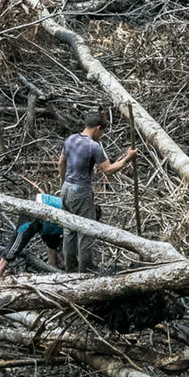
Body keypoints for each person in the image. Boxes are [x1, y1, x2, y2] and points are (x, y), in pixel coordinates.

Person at [58, 111, 132, 272]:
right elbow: (108, 170)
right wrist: (127, 158)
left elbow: (61, 163)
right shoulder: (93, 146)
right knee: (86, 230)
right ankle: (85, 269)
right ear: (98, 128)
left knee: (69, 229)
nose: (101, 135)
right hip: (81, 191)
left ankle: (70, 268)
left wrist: (63, 182)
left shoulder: (70, 139)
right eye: (102, 132)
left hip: (66, 188)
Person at [0, 193, 67, 281]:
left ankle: (52, 268)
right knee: (18, 242)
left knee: (52, 241)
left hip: (51, 222)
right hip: (36, 206)